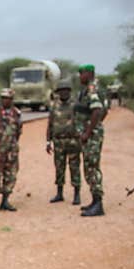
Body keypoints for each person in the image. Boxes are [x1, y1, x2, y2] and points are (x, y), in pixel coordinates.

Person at [76, 64, 106, 217]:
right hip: (91, 134)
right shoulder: (89, 89)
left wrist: (88, 132)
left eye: (81, 73)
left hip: (91, 136)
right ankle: (94, 201)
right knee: (89, 166)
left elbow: (97, 110)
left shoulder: (92, 89)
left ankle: (98, 204)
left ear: (89, 73)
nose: (80, 76)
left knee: (92, 167)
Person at [45, 79, 81, 205]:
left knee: (74, 167)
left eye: (66, 90)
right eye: (61, 91)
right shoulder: (54, 105)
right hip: (58, 141)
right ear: (58, 92)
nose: (64, 93)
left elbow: (83, 121)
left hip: (73, 141)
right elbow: (50, 124)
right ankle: (59, 193)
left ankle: (77, 194)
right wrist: (48, 141)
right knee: (59, 168)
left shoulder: (76, 104)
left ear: (69, 91)